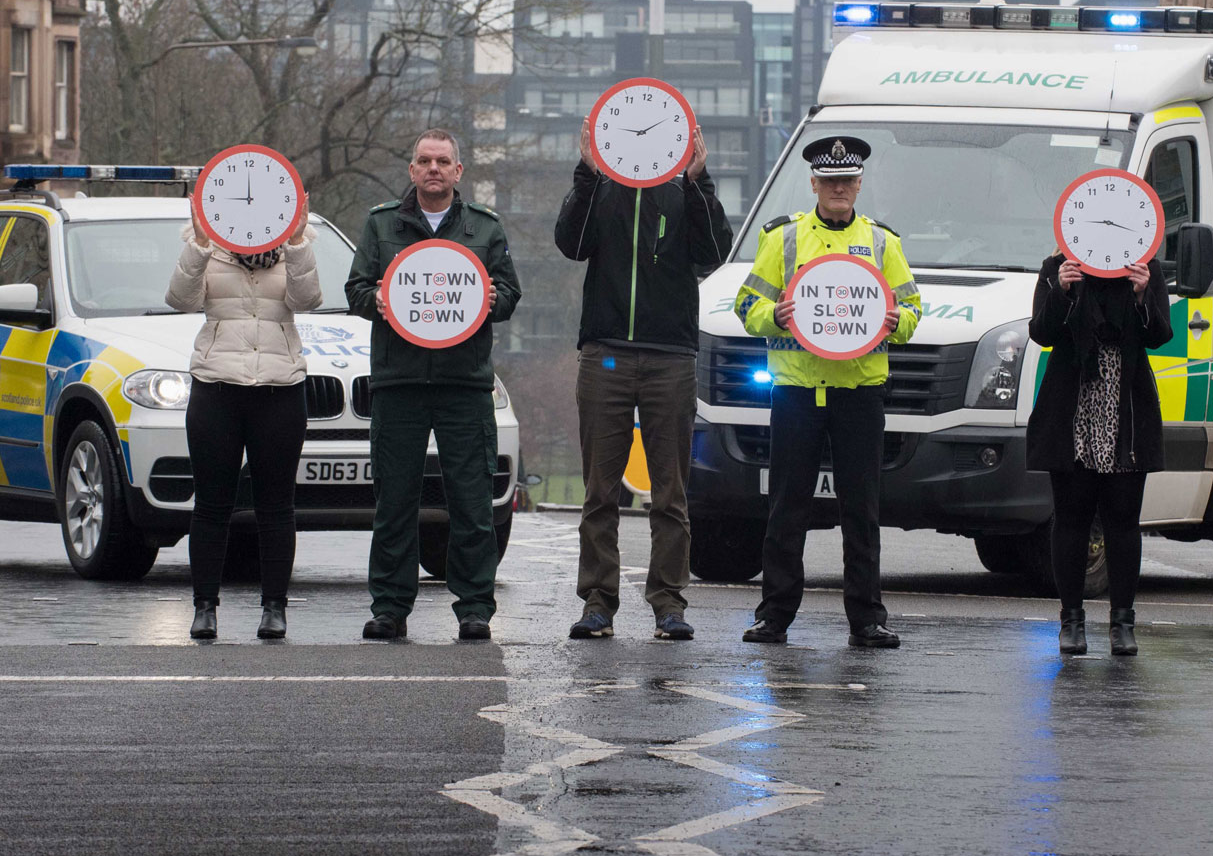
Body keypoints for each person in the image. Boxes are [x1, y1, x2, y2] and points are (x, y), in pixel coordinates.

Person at [732, 136, 922, 648]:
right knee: (786, 507)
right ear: (814, 183)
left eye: (847, 181)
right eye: (829, 181)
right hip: (796, 390)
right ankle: (774, 615)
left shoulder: (883, 242)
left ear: (859, 184)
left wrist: (894, 320)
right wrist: (773, 315)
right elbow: (746, 305)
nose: (839, 189)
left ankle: (867, 619)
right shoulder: (782, 239)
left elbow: (913, 311)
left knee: (862, 510)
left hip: (859, 392)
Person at [555, 123, 733, 641]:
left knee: (670, 493)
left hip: (671, 356)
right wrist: (587, 173)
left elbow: (713, 253)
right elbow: (572, 242)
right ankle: (598, 602)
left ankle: (669, 604)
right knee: (599, 491)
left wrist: (700, 182)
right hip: (605, 353)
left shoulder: (683, 189)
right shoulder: (603, 185)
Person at [346, 128, 521, 641]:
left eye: (443, 161)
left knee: (471, 502)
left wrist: (491, 299)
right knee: (394, 502)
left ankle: (474, 608)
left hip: (463, 383)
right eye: (424, 160)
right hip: (398, 382)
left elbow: (510, 293)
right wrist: (376, 298)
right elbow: (355, 290)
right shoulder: (381, 224)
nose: (434, 169)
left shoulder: (484, 229)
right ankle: (390, 608)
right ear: (412, 170)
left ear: (458, 171)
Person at [166, 196, 320, 641]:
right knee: (212, 505)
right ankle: (205, 608)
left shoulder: (293, 249)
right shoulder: (207, 250)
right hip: (217, 389)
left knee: (276, 506)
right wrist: (197, 243)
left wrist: (296, 242)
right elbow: (179, 299)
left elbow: (308, 299)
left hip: (280, 389)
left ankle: (275, 608)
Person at [1025, 250, 1171, 656]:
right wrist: (1063, 289)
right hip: (1072, 407)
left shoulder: (1146, 267)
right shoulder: (1056, 267)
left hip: (1126, 407)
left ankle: (1122, 624)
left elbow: (1160, 335)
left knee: (1123, 520)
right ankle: (1071, 621)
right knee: (1070, 517)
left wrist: (1142, 296)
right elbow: (1042, 332)